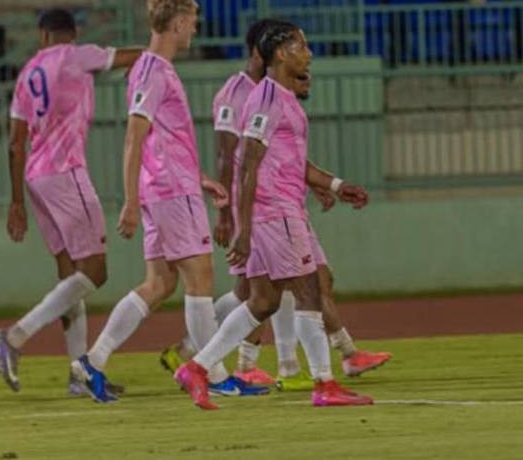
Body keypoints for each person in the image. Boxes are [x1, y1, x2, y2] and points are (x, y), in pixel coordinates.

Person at [160, 21, 391, 389]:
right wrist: (243, 227)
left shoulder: (281, 97)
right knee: (308, 290)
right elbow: (247, 160)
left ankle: (197, 367)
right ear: (281, 53)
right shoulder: (266, 98)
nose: (309, 52)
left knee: (264, 300)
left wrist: (335, 184)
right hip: (275, 212)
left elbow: (292, 161)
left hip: (279, 210)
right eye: (301, 45)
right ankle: (324, 383)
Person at [69, 0, 267, 403]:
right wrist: (128, 201)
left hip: (168, 188)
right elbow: (133, 138)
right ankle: (212, 374)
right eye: (192, 20)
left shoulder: (148, 69)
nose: (195, 26)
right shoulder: (154, 70)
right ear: (178, 23)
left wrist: (198, 176)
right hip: (169, 194)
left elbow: (163, 140)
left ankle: (93, 361)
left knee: (159, 284)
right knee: (201, 278)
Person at [0, 11, 141, 395]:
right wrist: (139, 67)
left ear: (42, 34)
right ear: (72, 34)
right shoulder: (76, 55)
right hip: (66, 170)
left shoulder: (27, 73)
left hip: (37, 178)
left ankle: (78, 376)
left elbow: (15, 142)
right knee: (95, 271)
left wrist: (17, 202)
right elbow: (135, 55)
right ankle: (16, 337)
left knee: (70, 275)